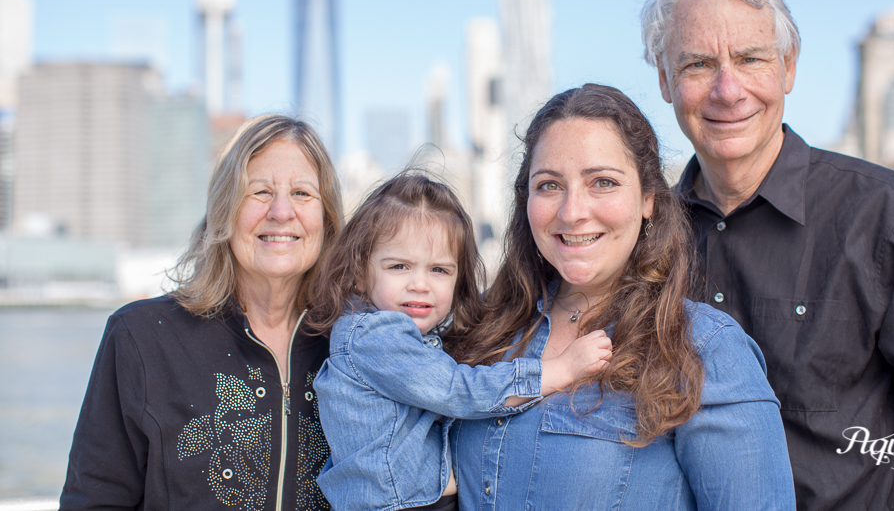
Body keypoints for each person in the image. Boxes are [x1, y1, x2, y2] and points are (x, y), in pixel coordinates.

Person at [641, 0, 894, 509]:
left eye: (751, 59)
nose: (728, 91)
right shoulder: (645, 238)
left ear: (789, 67)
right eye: (698, 65)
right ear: (664, 79)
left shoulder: (884, 214)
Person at [450, 84, 795, 510]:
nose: (572, 211)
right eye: (549, 185)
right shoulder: (484, 331)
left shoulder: (705, 350)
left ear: (648, 198)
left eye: (603, 182)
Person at [60, 115, 343, 511]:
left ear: (327, 220)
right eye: (259, 191)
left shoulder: (354, 346)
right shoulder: (141, 337)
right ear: (224, 210)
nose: (281, 211)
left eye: (301, 193)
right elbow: (93, 501)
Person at [307, 173, 612, 511]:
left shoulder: (412, 339)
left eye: (439, 270)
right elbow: (458, 390)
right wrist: (557, 370)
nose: (419, 284)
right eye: (399, 266)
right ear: (359, 274)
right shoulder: (374, 339)